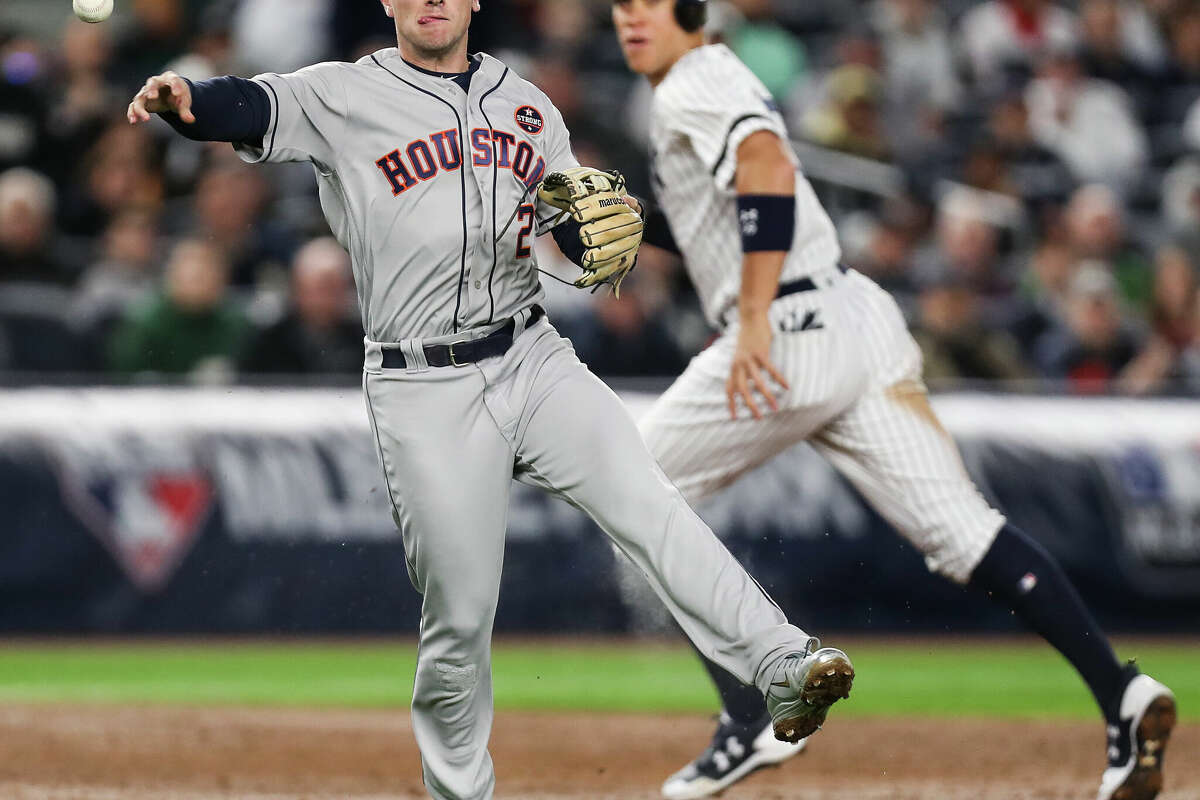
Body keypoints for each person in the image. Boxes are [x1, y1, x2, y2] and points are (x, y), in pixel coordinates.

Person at [126, 1, 852, 798]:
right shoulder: (341, 94)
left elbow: (570, 239)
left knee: (651, 503)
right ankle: (458, 791)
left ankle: (781, 662)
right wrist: (184, 99)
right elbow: (246, 104)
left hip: (532, 354)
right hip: (421, 383)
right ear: (391, 4)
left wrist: (591, 241)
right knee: (460, 618)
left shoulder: (528, 105)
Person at [609, 2, 1176, 799]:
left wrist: (757, 325)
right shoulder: (713, 77)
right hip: (851, 317)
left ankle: (757, 705)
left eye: (652, 5)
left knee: (626, 486)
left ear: (693, 13)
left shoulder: (689, 82)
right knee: (964, 534)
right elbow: (736, 214)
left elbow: (767, 168)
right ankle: (1121, 696)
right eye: (622, 5)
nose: (632, 18)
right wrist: (647, 225)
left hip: (788, 326)